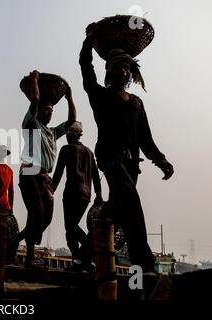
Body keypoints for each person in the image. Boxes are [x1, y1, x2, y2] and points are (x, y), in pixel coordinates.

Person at [79, 28, 174, 272]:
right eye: (117, 67)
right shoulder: (99, 95)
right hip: (109, 158)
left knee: (116, 212)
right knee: (131, 202)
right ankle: (143, 264)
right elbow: (86, 71)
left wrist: (160, 159)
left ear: (130, 72)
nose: (122, 71)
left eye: (126, 68)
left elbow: (145, 137)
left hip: (132, 164)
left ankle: (85, 253)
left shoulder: (136, 103)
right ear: (109, 71)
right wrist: (88, 43)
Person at [11, 70, 76, 268]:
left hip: (44, 177)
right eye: (46, 110)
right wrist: (35, 81)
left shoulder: (53, 132)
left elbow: (72, 121)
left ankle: (16, 240)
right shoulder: (31, 124)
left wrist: (70, 97)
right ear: (38, 111)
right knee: (37, 212)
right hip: (29, 171)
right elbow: (34, 100)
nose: (49, 112)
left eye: (51, 110)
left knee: (45, 216)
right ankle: (30, 257)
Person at [52, 121, 102, 271]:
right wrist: (98, 195)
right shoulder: (89, 152)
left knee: (70, 227)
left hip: (72, 193)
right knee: (71, 228)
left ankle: (82, 256)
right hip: (86, 196)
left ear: (69, 135)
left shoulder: (66, 149)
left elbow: (58, 173)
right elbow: (95, 175)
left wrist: (50, 191)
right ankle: (81, 261)